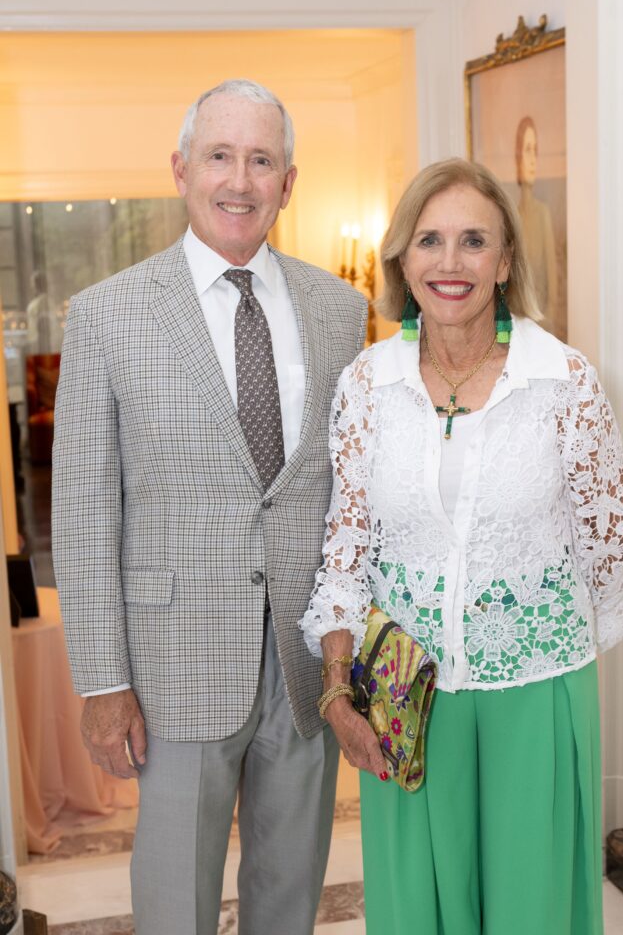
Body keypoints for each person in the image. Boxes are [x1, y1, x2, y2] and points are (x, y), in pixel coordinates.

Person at [52, 78, 368, 935]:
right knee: (175, 900)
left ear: (288, 182)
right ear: (181, 170)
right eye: (220, 156)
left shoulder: (343, 312)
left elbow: (355, 491)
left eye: (261, 160)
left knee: (290, 885)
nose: (240, 180)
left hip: (305, 660)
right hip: (172, 664)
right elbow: (82, 512)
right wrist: (103, 681)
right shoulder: (107, 315)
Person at [300, 157, 623, 934]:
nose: (449, 262)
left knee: (532, 905)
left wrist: (546, 647)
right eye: (428, 240)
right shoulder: (365, 384)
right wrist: (336, 690)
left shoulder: (565, 382)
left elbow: (609, 549)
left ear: (505, 261)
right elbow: (345, 545)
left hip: (536, 684)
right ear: (402, 261)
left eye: (472, 241)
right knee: (419, 906)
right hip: (403, 690)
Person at [515, 115, 561, 337]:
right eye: (527, 150)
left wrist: (548, 325)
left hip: (541, 328)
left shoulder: (542, 213)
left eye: (535, 151)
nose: (532, 160)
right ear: (518, 157)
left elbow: (551, 281)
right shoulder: (512, 216)